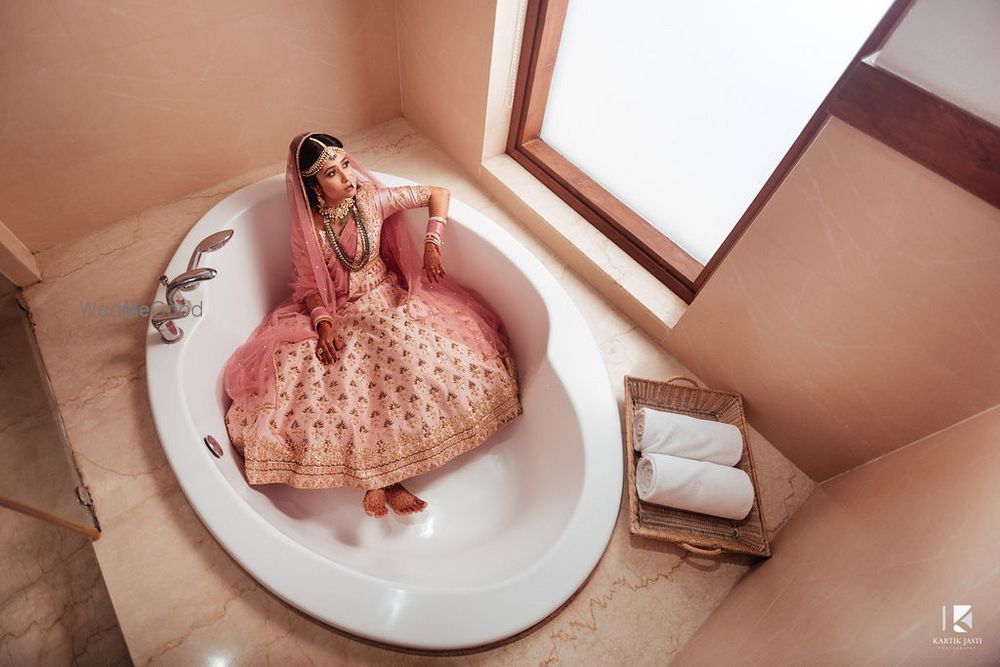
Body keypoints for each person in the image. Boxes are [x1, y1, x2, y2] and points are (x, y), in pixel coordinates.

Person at [222, 132, 523, 518]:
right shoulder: (309, 228)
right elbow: (309, 286)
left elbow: (437, 193)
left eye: (347, 164)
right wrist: (324, 324)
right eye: (332, 173)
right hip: (341, 311)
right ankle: (380, 478)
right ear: (313, 186)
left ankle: (390, 474)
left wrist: (433, 243)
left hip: (385, 298)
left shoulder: (371, 199)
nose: (347, 177)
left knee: (407, 366)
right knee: (340, 386)